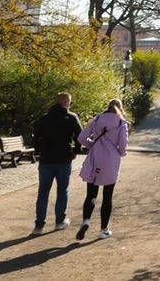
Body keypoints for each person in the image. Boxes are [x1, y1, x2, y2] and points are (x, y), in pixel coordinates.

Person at [75, 98, 130, 240]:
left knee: (91, 193)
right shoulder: (121, 123)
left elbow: (81, 137)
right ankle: (103, 229)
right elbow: (123, 145)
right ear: (121, 108)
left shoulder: (98, 119)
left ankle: (86, 220)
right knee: (107, 196)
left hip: (95, 156)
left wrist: (92, 145)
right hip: (111, 159)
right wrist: (121, 153)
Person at [31, 91, 83, 235]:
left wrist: (39, 150)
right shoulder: (71, 118)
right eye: (69, 102)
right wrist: (75, 151)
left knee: (43, 192)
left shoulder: (45, 118)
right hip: (64, 158)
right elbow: (80, 136)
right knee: (62, 190)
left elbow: (36, 137)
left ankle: (39, 225)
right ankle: (59, 221)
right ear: (66, 102)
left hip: (46, 159)